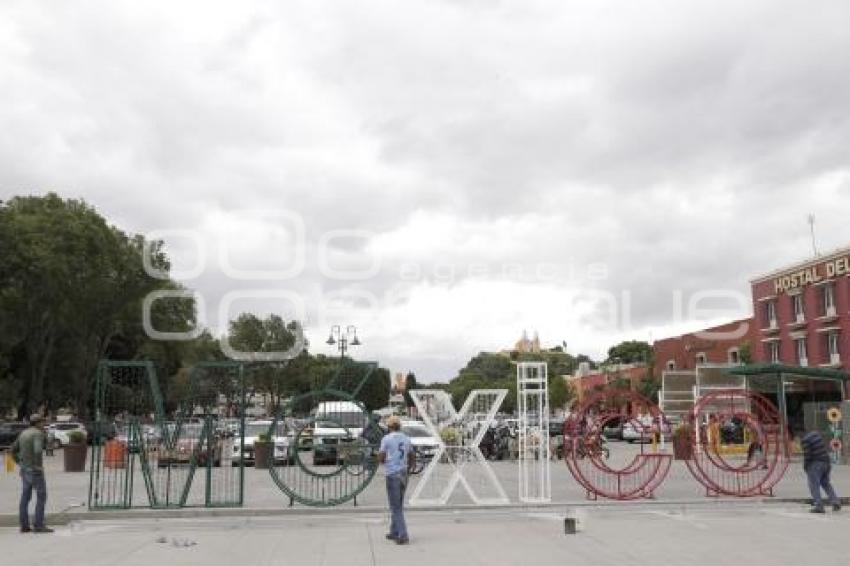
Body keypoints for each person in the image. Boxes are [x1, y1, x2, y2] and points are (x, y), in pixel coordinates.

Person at [10, 415, 53, 533]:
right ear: (38, 423)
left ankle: (24, 525)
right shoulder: (38, 434)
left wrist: (20, 463)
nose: (44, 424)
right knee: (41, 496)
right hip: (35, 471)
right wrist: (38, 466)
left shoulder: (23, 433)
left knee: (25, 497)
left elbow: (12, 450)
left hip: (25, 470)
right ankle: (38, 525)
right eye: (43, 422)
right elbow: (38, 450)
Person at [378, 416, 414, 545]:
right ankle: (394, 530)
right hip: (403, 473)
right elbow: (412, 456)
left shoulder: (386, 439)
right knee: (398, 503)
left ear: (389, 427)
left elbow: (381, 458)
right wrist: (408, 469)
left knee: (395, 506)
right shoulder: (406, 439)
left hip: (392, 473)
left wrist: (382, 458)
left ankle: (403, 534)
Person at [800, 430, 841, 514]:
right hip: (826, 461)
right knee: (826, 483)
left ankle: (819, 506)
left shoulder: (805, 440)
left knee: (814, 485)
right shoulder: (817, 435)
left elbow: (807, 455)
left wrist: (805, 466)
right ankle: (835, 501)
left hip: (816, 464)